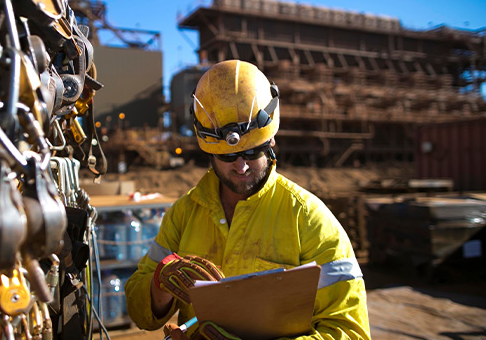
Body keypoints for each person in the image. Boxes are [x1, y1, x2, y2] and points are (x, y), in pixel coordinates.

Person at [124, 60, 371, 340]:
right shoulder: (185, 213)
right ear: (208, 150)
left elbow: (350, 332)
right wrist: (159, 284)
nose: (241, 166)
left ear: (271, 141)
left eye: (253, 152)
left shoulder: (308, 218)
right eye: (227, 156)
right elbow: (138, 312)